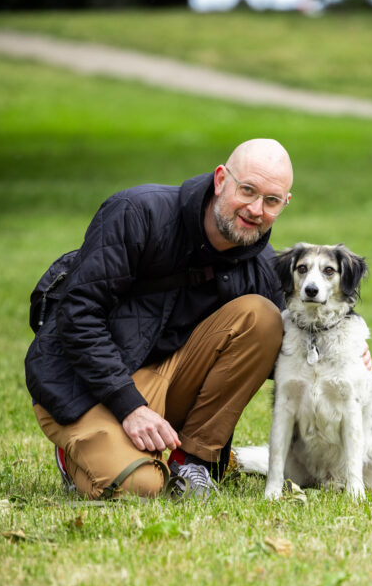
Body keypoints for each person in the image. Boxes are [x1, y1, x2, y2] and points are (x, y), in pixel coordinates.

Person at [25, 138, 293, 500]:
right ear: (220, 180)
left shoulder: (260, 265)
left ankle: (192, 460)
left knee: (266, 318)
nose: (255, 209)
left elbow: (285, 349)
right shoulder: (137, 212)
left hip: (169, 377)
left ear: (284, 204)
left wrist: (346, 355)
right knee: (142, 486)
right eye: (247, 190)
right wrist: (129, 406)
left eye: (271, 200)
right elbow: (77, 315)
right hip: (86, 383)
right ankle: (73, 453)